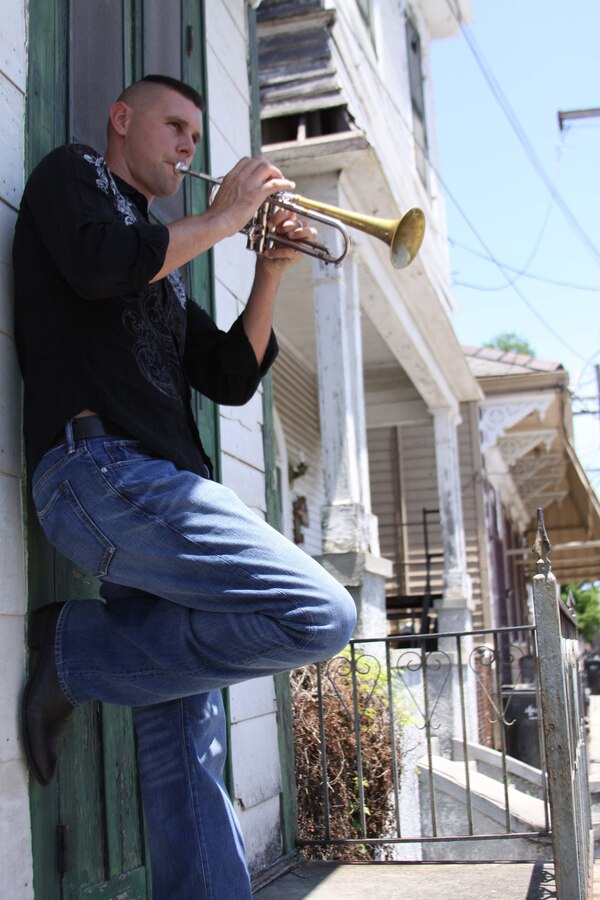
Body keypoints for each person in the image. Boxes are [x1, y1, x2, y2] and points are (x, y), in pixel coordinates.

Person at [13, 74, 356, 899]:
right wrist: (223, 217)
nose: (187, 147)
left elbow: (229, 374)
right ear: (121, 120)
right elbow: (100, 267)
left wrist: (268, 267)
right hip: (98, 473)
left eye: (197, 137)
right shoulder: (75, 178)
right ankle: (78, 654)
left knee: (185, 756)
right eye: (174, 127)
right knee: (322, 613)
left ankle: (80, 659)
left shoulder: (168, 263)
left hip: (155, 497)